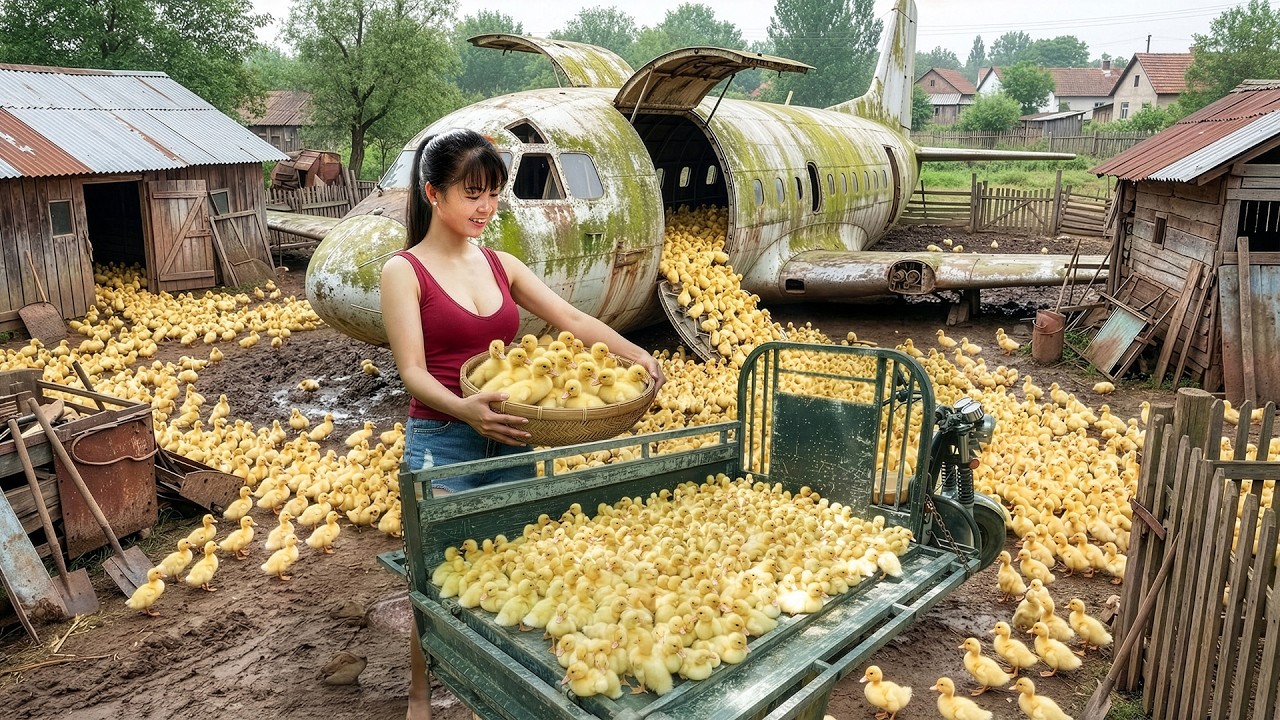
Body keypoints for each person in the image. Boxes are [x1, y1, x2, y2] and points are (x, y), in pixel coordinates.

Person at [380, 128, 666, 720]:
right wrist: (466, 409)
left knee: (515, 566)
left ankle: (497, 692)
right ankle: (419, 695)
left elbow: (568, 316)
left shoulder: (500, 264)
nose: (486, 208)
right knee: (435, 575)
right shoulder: (403, 272)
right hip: (443, 440)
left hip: (515, 438)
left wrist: (634, 353)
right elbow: (412, 372)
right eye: (472, 194)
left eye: (494, 194)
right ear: (433, 195)